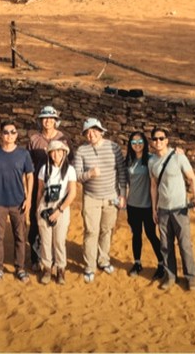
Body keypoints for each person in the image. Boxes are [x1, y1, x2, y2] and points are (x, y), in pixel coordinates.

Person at [72, 117, 127, 283]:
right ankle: (90, 266)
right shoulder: (81, 151)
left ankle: (103, 260)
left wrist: (122, 194)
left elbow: (122, 172)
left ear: (101, 131)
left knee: (106, 230)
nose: (91, 134)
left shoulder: (114, 147)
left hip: (112, 197)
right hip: (91, 198)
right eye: (87, 132)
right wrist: (90, 174)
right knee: (91, 231)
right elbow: (76, 175)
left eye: (94, 130)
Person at [148, 126, 195, 291]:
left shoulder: (179, 157)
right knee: (166, 245)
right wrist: (154, 209)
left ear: (167, 140)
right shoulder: (151, 162)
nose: (158, 141)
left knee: (185, 244)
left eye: (161, 138)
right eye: (155, 139)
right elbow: (153, 186)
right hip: (163, 209)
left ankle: (191, 277)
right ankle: (170, 276)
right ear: (152, 142)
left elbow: (192, 179)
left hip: (180, 208)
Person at [0, 119, 34, 282]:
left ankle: (19, 268)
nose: (10, 135)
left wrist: (29, 199)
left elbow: (29, 176)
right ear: (1, 134)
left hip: (18, 202)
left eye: (13, 132)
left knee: (20, 236)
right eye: (6, 132)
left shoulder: (23, 154)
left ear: (17, 134)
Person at [26, 105, 69, 268]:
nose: (48, 121)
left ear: (56, 121)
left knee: (56, 225)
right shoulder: (34, 139)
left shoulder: (63, 139)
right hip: (38, 187)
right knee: (36, 223)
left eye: (51, 118)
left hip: (58, 189)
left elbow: (67, 164)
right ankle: (36, 258)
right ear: (40, 120)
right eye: (45, 118)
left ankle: (54, 260)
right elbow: (28, 166)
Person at [124, 130, 165, 280]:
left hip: (147, 205)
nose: (137, 145)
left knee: (151, 234)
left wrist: (178, 153)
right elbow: (126, 181)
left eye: (140, 142)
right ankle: (137, 262)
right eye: (133, 142)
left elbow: (164, 159)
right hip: (132, 204)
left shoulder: (151, 159)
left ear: (145, 144)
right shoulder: (129, 160)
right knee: (136, 234)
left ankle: (161, 263)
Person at [35, 139, 77, 285]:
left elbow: (72, 192)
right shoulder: (44, 169)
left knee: (59, 241)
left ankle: (60, 268)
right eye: (53, 151)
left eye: (59, 151)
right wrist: (37, 209)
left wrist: (59, 210)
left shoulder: (70, 170)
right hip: (45, 206)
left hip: (61, 207)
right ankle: (47, 268)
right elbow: (40, 191)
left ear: (64, 152)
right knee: (45, 240)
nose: (56, 154)